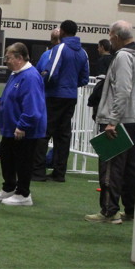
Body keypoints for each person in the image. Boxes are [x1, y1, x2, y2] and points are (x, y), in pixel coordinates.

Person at [86, 20, 135, 224]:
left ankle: (109, 211)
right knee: (130, 168)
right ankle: (131, 210)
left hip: (119, 120)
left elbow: (122, 89)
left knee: (110, 167)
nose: (109, 39)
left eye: (110, 35)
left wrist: (112, 120)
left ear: (117, 37)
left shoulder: (122, 57)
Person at [31, 20, 90, 182]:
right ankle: (59, 173)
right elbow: (84, 78)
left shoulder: (60, 48)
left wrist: (45, 83)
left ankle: (38, 171)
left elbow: (51, 73)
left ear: (62, 31)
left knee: (44, 133)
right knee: (63, 135)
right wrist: (70, 86)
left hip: (54, 95)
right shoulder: (83, 53)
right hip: (71, 96)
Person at [0, 43, 46, 207]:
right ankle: (9, 187)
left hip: (24, 130)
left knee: (23, 161)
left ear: (19, 58)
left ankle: (23, 193)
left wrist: (23, 125)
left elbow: (33, 106)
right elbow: (14, 96)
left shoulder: (30, 77)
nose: (5, 61)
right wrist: (1, 102)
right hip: (11, 127)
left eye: (8, 58)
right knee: (6, 156)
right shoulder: (16, 74)